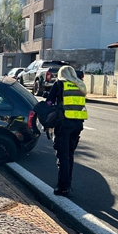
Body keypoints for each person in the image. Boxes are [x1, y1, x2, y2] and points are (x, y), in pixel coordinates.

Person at [46, 65, 88, 197]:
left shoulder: (60, 84)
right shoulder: (80, 85)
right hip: (78, 124)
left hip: (64, 124)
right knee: (70, 154)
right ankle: (68, 183)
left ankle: (63, 187)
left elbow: (49, 102)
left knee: (62, 155)